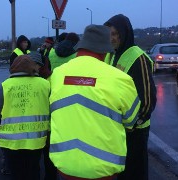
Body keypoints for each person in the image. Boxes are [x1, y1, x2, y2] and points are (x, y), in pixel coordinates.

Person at [48, 24, 141, 179]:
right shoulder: (120, 79)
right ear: (105, 51)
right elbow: (131, 121)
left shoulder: (57, 74)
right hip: (103, 170)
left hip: (65, 165)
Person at [104, 14, 157, 180]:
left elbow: (148, 99)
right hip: (118, 127)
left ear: (124, 33)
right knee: (122, 171)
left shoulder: (137, 57)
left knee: (136, 172)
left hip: (135, 130)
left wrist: (134, 124)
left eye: (115, 34)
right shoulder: (111, 55)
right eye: (109, 34)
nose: (111, 38)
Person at [0, 53, 50, 180]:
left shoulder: (6, 85)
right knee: (34, 170)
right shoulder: (44, 84)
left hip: (11, 141)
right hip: (36, 140)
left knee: (17, 173)